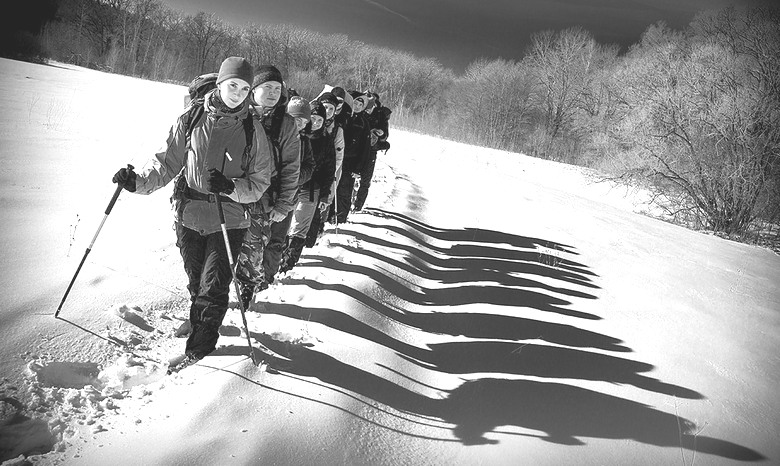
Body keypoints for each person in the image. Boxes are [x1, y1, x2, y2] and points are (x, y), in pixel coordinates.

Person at [111, 57, 272, 371]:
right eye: (233, 85)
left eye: (244, 88)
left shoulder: (253, 129)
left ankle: (199, 351)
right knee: (197, 283)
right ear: (220, 84)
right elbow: (167, 163)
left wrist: (231, 186)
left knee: (214, 288)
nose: (238, 93)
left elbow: (260, 182)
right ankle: (198, 326)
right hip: (189, 215)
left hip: (230, 218)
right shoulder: (192, 117)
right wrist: (137, 182)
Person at [235, 65, 300, 309]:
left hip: (265, 197)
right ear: (253, 89)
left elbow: (292, 167)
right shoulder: (239, 113)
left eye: (277, 88)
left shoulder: (286, 123)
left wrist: (283, 204)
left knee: (254, 247)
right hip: (233, 189)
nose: (273, 92)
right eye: (267, 87)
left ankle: (247, 291)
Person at [280, 99, 335, 273]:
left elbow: (329, 170)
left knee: (299, 227)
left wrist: (325, 195)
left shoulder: (326, 140)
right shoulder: (297, 135)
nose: (316, 123)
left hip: (311, 189)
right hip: (288, 187)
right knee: (284, 223)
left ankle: (288, 262)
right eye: (313, 119)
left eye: (320, 120)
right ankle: (277, 258)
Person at [334, 91, 371, 223]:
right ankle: (328, 216)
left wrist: (359, 168)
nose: (357, 106)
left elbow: (365, 148)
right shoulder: (342, 116)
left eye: (361, 105)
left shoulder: (363, 122)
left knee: (345, 190)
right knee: (332, 187)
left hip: (351, 162)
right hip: (336, 157)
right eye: (355, 103)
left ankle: (341, 218)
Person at [353, 91, 391, 212]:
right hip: (357, 148)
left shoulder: (381, 115)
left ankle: (358, 205)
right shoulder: (359, 110)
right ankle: (350, 201)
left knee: (365, 179)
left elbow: (385, 135)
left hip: (371, 150)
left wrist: (380, 134)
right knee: (352, 175)